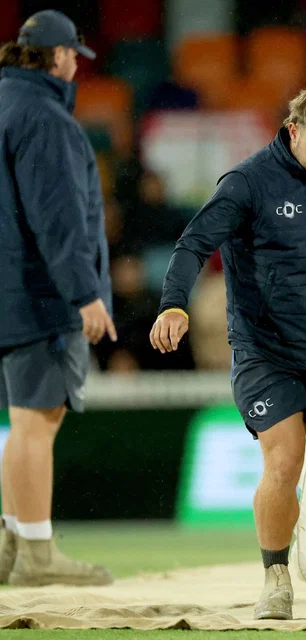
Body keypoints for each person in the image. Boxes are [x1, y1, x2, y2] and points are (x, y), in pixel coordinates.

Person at [149, 76, 306, 621]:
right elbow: (192, 244)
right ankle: (276, 577)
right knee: (284, 462)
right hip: (265, 349)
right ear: (293, 130)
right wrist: (174, 304)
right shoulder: (248, 182)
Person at [0, 9, 116, 588]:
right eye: (72, 54)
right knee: (35, 423)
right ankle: (38, 554)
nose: (75, 64)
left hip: (5, 293)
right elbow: (59, 220)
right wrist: (85, 295)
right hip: (38, 295)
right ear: (57, 56)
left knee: (19, 424)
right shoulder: (45, 118)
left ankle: (10, 546)